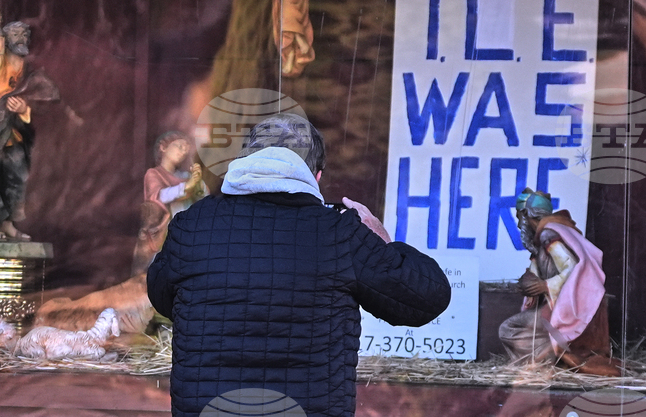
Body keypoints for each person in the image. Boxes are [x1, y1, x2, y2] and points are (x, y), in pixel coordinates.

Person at [147, 113, 451, 417]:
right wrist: (381, 240)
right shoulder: (340, 233)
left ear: (244, 161)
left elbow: (162, 297)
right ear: (315, 177)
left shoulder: (192, 225)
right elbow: (427, 297)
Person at [0, 8, 58, 242]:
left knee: (18, 170)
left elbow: (40, 96)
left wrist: (24, 109)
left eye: (24, 37)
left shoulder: (25, 70)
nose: (21, 41)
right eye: (16, 37)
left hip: (11, 130)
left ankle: (8, 222)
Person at [498, 190, 618, 376]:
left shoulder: (548, 235)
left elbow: (572, 268)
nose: (519, 222)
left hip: (569, 307)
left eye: (519, 215)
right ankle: (546, 361)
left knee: (508, 329)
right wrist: (528, 283)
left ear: (527, 215)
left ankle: (543, 362)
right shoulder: (545, 237)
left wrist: (545, 286)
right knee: (527, 328)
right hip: (557, 305)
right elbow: (537, 270)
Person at [132, 132, 206, 274]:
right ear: (163, 147)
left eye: (186, 150)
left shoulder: (185, 177)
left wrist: (197, 183)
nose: (183, 152)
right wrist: (186, 187)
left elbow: (203, 198)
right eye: (179, 146)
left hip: (186, 235)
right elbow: (159, 196)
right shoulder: (154, 174)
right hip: (163, 235)